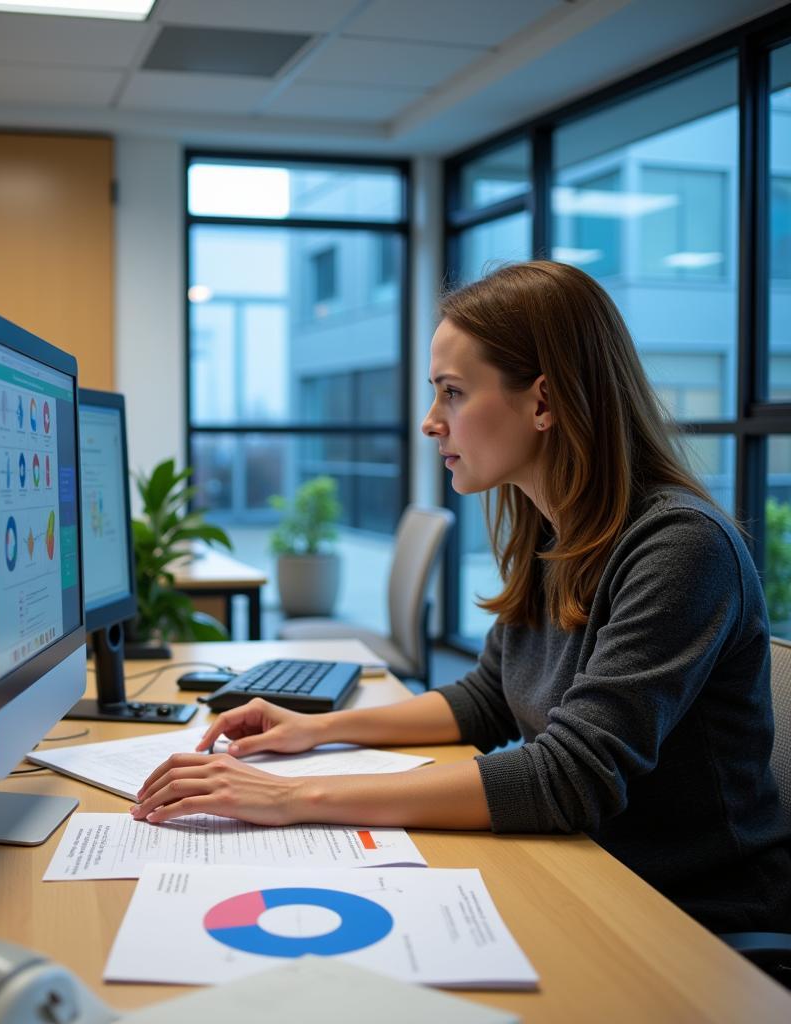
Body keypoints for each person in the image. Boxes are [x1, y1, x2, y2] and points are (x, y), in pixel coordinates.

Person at [132, 260, 791, 933]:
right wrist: (316, 730)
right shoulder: (557, 529)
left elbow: (571, 777)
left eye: (451, 393)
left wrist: (294, 796)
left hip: (689, 916)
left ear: (543, 401)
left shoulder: (681, 547)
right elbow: (486, 699)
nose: (429, 422)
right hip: (588, 870)